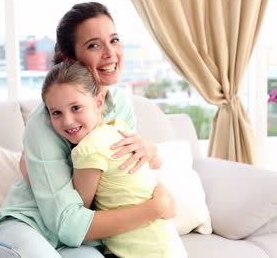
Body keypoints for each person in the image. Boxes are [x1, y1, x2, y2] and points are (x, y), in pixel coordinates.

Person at [0, 2, 176, 258]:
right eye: (94, 45)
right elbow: (68, 224)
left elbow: (119, 187)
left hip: (84, 241)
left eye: (114, 40)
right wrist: (155, 208)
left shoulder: (121, 105)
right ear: (71, 59)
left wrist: (150, 151)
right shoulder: (44, 123)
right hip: (27, 227)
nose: (110, 53)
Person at [42, 60, 186, 258]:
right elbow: (155, 164)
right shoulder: (120, 130)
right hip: (169, 247)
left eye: (76, 108)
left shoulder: (87, 149)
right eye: (56, 112)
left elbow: (80, 209)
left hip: (134, 252)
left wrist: (36, 176)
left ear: (99, 103)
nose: (67, 120)